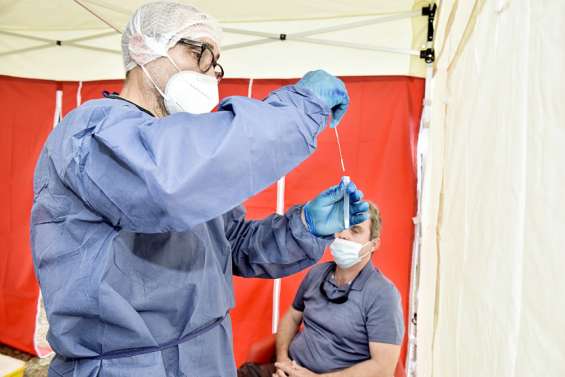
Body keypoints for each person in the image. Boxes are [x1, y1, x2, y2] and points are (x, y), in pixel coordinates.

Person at [30, 2, 368, 377]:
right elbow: (166, 185)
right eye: (199, 53)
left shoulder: (179, 151)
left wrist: (304, 226)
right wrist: (301, 109)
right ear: (144, 48)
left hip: (207, 356)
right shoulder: (92, 133)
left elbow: (233, 244)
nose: (209, 74)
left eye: (216, 63)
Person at [238, 203, 403, 377]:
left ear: (373, 244)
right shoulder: (317, 273)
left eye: (355, 230)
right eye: (342, 227)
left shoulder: (383, 295)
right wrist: (282, 361)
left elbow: (382, 368)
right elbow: (292, 317)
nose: (344, 235)